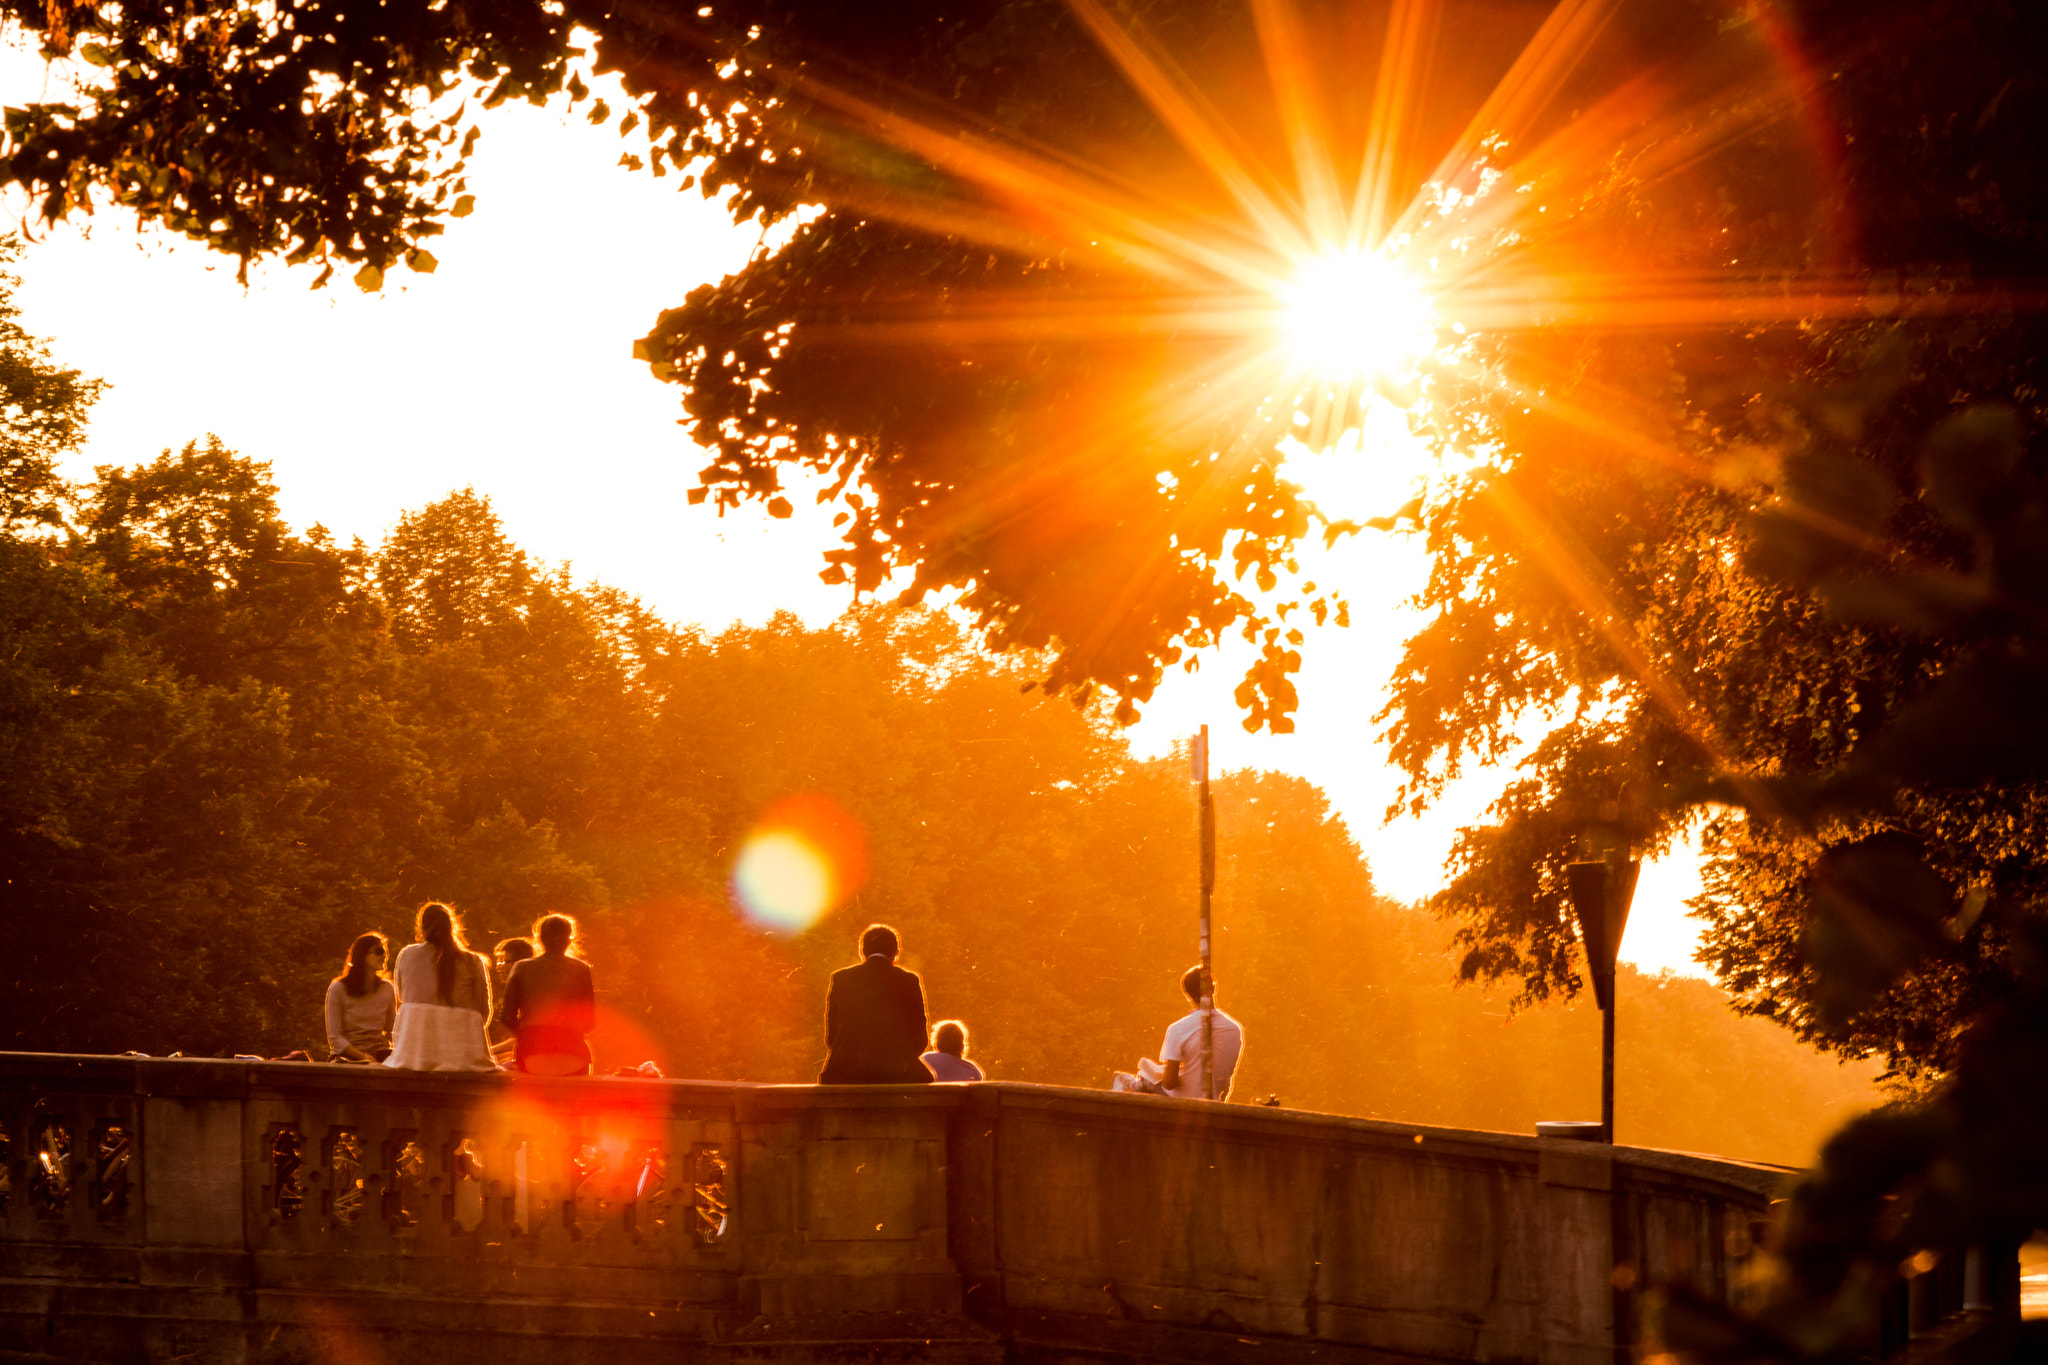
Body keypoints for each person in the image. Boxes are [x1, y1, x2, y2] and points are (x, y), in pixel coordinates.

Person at [384, 902, 496, 1071]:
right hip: (465, 1056)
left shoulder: (407, 955)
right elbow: (484, 1013)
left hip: (415, 1055)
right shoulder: (473, 961)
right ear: (452, 927)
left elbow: (401, 996)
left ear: (423, 927)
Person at [818, 924, 934, 1084]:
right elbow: (920, 1038)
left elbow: (832, 1036)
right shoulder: (908, 980)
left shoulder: (841, 979)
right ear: (896, 953)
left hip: (846, 1073)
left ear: (862, 952)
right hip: (897, 1073)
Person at [1112, 966, 1244, 1100]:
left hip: (1180, 1101)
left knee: (1132, 1079)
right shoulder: (1234, 1029)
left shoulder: (1178, 1029)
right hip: (1215, 1101)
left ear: (1187, 995)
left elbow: (1169, 1083)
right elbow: (1225, 1078)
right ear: (1214, 988)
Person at [499, 914, 596, 1076]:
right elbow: (589, 1022)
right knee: (574, 1100)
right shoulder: (581, 969)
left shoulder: (521, 968)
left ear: (540, 938)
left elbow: (507, 1017)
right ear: (569, 940)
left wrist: (529, 1034)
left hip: (531, 1055)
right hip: (573, 1056)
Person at [324, 933, 396, 1062]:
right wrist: (364, 1057)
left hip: (380, 1052)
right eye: (379, 951)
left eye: (385, 952)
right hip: (347, 1055)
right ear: (362, 955)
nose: (384, 956)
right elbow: (335, 1038)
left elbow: (393, 1029)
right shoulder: (338, 988)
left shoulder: (387, 988)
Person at [488, 936, 535, 1064]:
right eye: (497, 962)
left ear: (519, 962)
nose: (499, 967)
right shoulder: (524, 985)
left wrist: (488, 1051)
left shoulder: (529, 990)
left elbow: (528, 1035)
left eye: (503, 962)